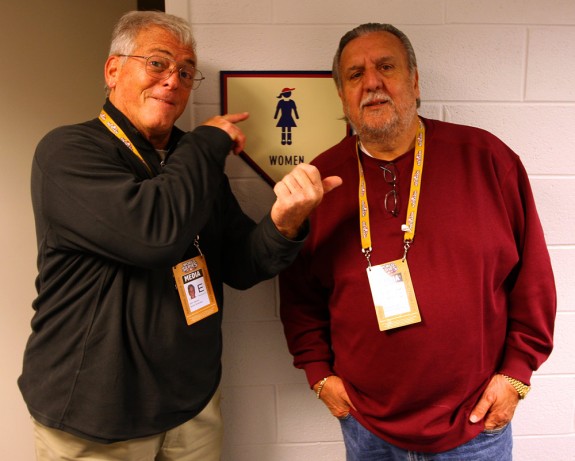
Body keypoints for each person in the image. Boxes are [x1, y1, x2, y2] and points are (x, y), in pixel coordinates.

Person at [19, 10, 340, 461]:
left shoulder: (193, 160)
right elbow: (154, 234)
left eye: (186, 73)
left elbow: (242, 264)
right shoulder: (68, 151)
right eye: (158, 63)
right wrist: (206, 142)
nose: (173, 80)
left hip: (191, 405)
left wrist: (286, 222)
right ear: (113, 70)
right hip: (96, 415)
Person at [279, 23, 556, 460]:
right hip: (367, 427)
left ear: (415, 80)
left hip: (475, 426)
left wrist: (516, 374)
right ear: (341, 94)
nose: (371, 82)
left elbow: (533, 280)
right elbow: (299, 297)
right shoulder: (320, 182)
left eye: (385, 66)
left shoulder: (487, 159)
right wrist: (319, 375)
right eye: (355, 74)